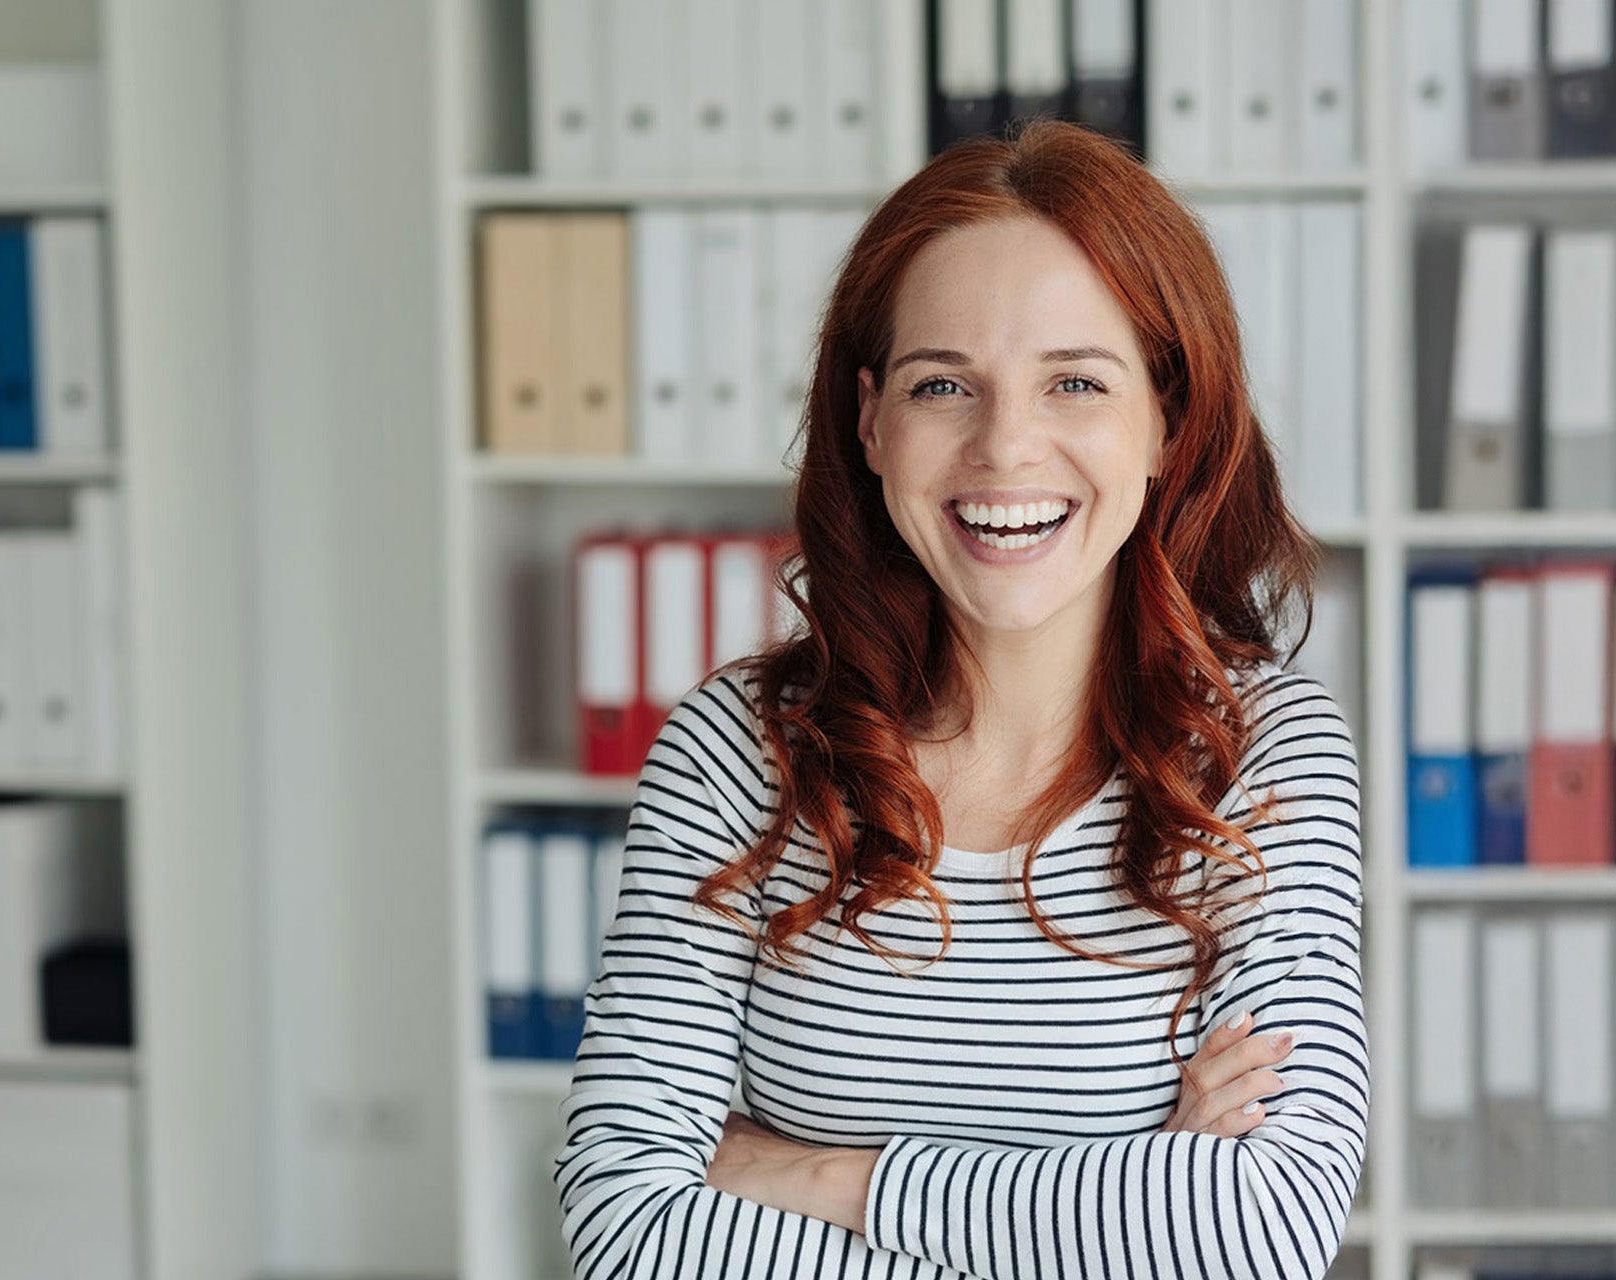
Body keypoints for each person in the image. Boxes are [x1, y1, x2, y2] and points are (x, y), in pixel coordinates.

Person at [550, 118, 1368, 1280]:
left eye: (1074, 382)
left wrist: (820, 1173)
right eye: (946, 385)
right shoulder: (738, 749)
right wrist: (1132, 1204)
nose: (1006, 447)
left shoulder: (1263, 750)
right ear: (872, 419)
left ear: (1165, 424)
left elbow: (1262, 1224)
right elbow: (625, 1228)